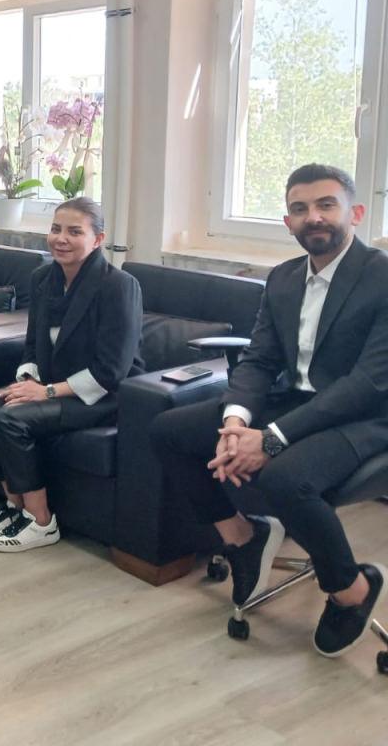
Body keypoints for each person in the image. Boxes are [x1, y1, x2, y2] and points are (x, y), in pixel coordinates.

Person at [149, 164, 388, 656]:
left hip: (365, 416)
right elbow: (259, 361)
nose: (313, 217)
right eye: (300, 208)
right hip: (295, 400)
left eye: (326, 205)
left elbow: (367, 382)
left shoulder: (381, 277)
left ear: (356, 213)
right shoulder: (283, 278)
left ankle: (352, 589)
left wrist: (272, 438)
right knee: (169, 430)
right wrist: (235, 423)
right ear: (288, 222)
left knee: (284, 478)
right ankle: (243, 538)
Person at [0, 197, 143, 552]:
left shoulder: (118, 286)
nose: (61, 239)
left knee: (11, 419)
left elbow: (112, 371)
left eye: (74, 232)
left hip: (104, 395)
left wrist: (46, 393)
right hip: (53, 385)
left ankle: (41, 522)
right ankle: (15, 507)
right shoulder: (43, 279)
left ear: (98, 239)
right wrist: (28, 380)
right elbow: (33, 345)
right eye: (56, 229)